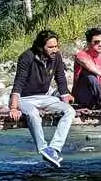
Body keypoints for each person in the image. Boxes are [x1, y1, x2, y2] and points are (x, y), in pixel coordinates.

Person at [8, 29, 76, 167]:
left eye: (56, 46)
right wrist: (14, 107)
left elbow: (61, 79)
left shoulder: (56, 57)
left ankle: (54, 148)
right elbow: (19, 83)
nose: (55, 50)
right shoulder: (27, 57)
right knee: (33, 114)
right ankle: (43, 148)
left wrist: (65, 102)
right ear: (41, 47)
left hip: (44, 97)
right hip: (24, 99)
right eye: (51, 47)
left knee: (70, 111)